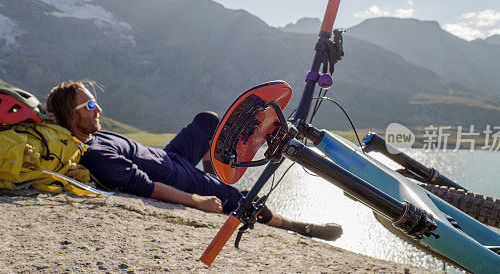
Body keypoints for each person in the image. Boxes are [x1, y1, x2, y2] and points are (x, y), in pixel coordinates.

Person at [46, 80, 342, 239]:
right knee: (244, 198)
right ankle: (297, 227)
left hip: (170, 156)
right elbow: (147, 187)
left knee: (207, 121)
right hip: (178, 177)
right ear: (71, 115)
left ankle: (221, 172)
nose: (98, 109)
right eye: (89, 104)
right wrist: (196, 201)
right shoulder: (96, 155)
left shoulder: (99, 135)